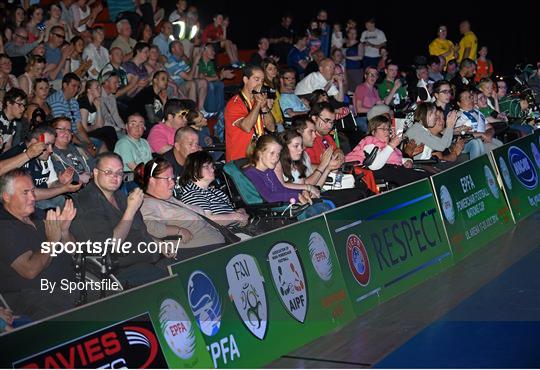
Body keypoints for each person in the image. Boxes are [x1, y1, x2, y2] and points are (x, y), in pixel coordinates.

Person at [71, 152, 169, 287]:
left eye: (119, 172)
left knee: (184, 265)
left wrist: (157, 242)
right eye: (108, 172)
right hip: (120, 271)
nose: (115, 177)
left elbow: (138, 229)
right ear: (95, 172)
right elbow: (109, 247)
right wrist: (131, 210)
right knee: (171, 280)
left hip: (148, 260)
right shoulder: (87, 202)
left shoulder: (118, 196)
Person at [0, 169, 77, 320]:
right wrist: (51, 242)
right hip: (35, 298)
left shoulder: (40, 215)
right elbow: (30, 270)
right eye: (25, 193)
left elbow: (73, 252)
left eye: (33, 191)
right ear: (7, 197)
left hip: (68, 287)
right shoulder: (4, 228)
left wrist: (64, 231)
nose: (32, 197)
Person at [136, 156, 226, 253]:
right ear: (152, 181)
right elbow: (149, 227)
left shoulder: (169, 199)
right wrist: (178, 230)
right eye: (167, 179)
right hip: (198, 253)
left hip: (216, 245)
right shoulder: (147, 203)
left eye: (173, 178)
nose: (173, 183)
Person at [243, 134, 332, 220]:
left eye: (278, 154)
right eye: (272, 153)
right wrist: (296, 195)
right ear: (260, 153)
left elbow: (280, 188)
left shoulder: (269, 170)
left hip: (283, 208)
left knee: (327, 203)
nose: (276, 158)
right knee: (322, 210)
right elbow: (269, 197)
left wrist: (303, 191)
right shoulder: (251, 172)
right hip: (270, 214)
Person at [0, 125, 82, 209]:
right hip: (17, 202)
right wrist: (63, 189)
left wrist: (61, 182)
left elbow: (50, 185)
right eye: (46, 145)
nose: (50, 150)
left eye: (52, 145)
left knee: (66, 201)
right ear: (33, 142)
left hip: (38, 199)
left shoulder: (44, 156)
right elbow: (31, 194)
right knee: (49, 207)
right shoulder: (16, 154)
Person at [345, 114, 427, 186]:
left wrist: (407, 161)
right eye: (383, 129)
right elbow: (374, 165)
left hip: (393, 171)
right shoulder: (369, 141)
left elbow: (393, 159)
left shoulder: (387, 146)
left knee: (424, 175)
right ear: (373, 132)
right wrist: (391, 145)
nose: (387, 132)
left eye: (388, 129)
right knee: (422, 178)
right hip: (372, 174)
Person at [177, 151, 249, 226]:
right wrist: (235, 217)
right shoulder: (192, 194)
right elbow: (207, 221)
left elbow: (230, 212)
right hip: (221, 235)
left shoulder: (216, 192)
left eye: (212, 166)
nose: (212, 170)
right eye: (207, 167)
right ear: (194, 170)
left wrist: (240, 212)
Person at [224, 65, 276, 162]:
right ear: (245, 80)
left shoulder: (257, 100)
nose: (260, 83)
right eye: (256, 79)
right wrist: (258, 104)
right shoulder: (234, 104)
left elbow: (271, 128)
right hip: (239, 159)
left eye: (262, 80)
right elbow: (246, 127)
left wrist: (264, 107)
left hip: (258, 156)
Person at [454, 88, 502, 155]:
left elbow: (490, 128)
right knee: (494, 149)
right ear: (459, 103)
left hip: (482, 140)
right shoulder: (457, 115)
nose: (470, 100)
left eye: (470, 97)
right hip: (469, 143)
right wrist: (480, 134)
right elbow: (456, 133)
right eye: (466, 98)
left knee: (500, 144)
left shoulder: (477, 112)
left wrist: (488, 134)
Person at [78, 79, 119, 152]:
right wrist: (96, 126)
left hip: (91, 129)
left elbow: (101, 124)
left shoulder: (95, 101)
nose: (100, 89)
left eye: (100, 87)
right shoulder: (83, 102)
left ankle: (116, 153)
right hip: (83, 133)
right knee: (108, 131)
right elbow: (85, 128)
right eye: (97, 87)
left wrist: (98, 108)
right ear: (89, 90)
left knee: (109, 130)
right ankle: (115, 154)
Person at [51, 116, 94, 184]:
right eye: (62, 129)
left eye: (69, 130)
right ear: (52, 132)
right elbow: (59, 177)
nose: (67, 133)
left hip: (91, 185)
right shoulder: (50, 154)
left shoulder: (79, 149)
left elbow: (94, 165)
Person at [304, 102, 345, 169]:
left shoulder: (326, 135)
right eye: (326, 121)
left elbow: (337, 149)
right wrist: (329, 167)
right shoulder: (308, 140)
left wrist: (339, 152)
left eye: (332, 122)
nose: (329, 126)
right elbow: (308, 168)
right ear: (314, 118)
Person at [1, 88, 27, 154]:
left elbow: (7, 148)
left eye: (24, 105)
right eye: (19, 104)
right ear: (9, 103)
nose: (23, 109)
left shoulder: (13, 124)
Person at [344, 27, 364, 91]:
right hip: (345, 70)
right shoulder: (344, 44)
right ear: (348, 34)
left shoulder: (359, 44)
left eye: (354, 33)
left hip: (356, 70)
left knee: (357, 89)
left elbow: (360, 57)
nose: (352, 35)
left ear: (356, 35)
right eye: (350, 33)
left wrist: (346, 57)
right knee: (347, 88)